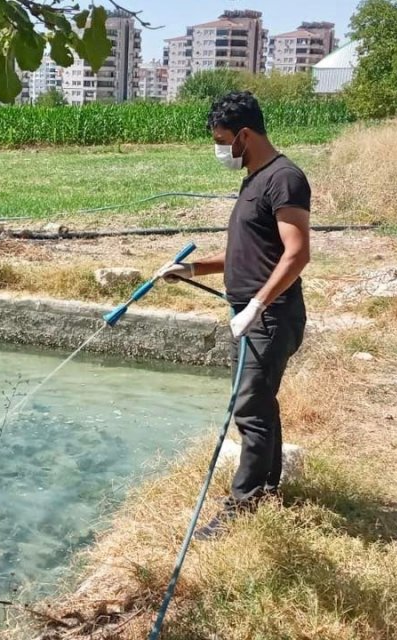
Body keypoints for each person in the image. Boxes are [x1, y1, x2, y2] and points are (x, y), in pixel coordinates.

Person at [156, 91, 311, 539]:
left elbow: (297, 254)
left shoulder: (285, 179)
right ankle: (267, 490)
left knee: (249, 409)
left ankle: (243, 506)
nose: (220, 149)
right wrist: (191, 268)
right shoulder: (254, 178)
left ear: (244, 134)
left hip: (270, 316)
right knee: (259, 405)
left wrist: (258, 306)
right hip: (250, 312)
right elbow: (250, 253)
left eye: (223, 140)